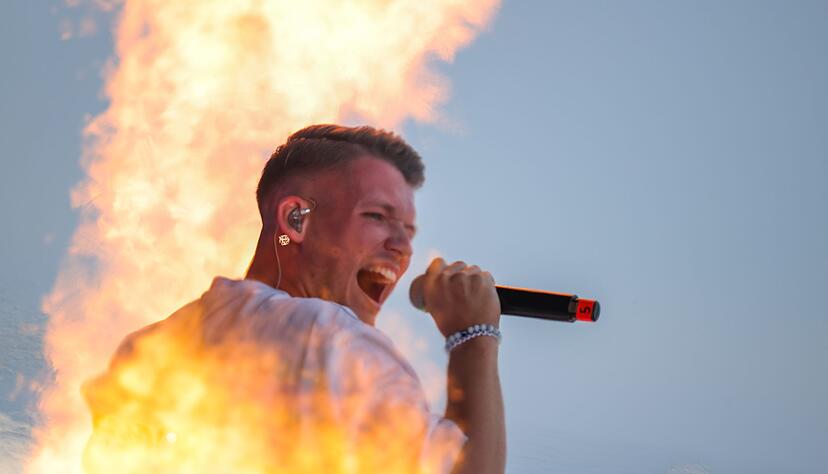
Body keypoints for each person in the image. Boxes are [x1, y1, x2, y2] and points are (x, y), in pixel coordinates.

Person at [82, 124, 506, 473]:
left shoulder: (147, 347)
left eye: (408, 232)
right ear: (294, 220)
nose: (402, 248)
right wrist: (473, 335)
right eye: (377, 217)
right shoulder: (336, 342)